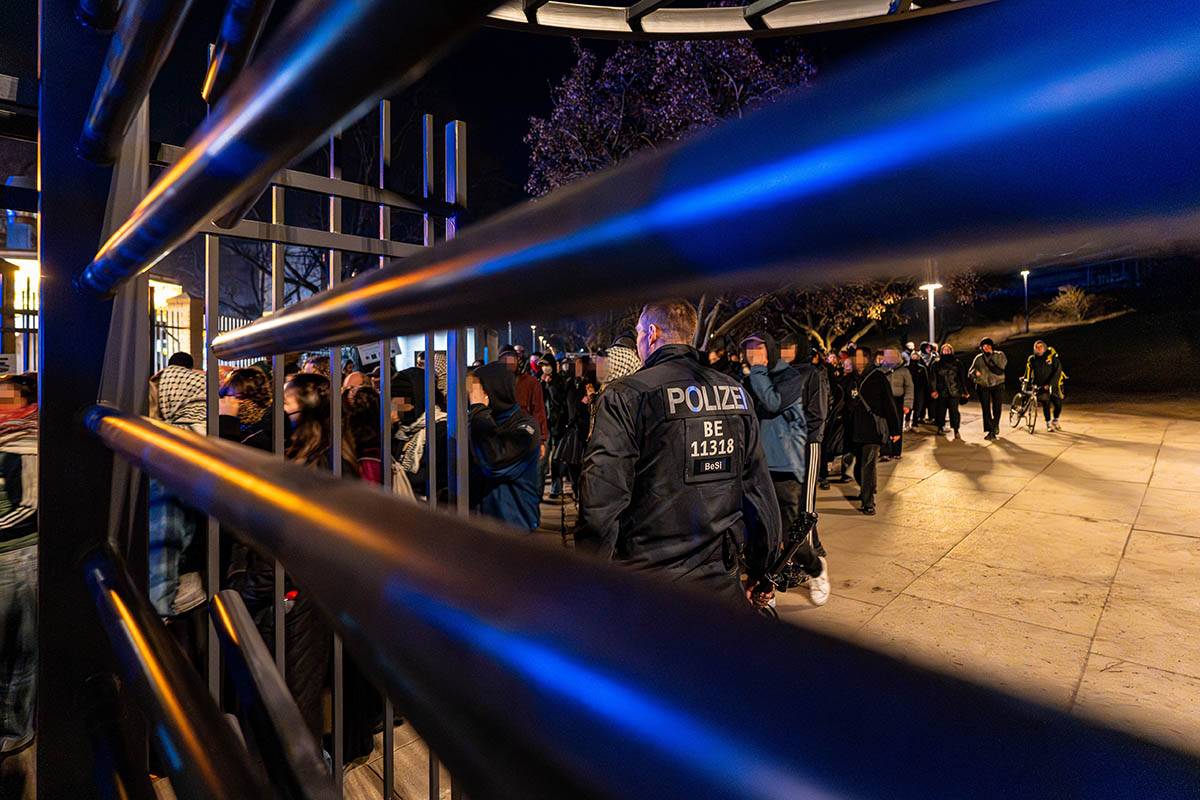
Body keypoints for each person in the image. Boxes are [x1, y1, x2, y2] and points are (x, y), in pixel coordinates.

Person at [578, 301, 781, 606]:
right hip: (720, 580)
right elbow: (758, 489)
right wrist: (763, 568)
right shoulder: (734, 392)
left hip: (648, 583)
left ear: (652, 333)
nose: (639, 342)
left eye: (639, 333)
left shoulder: (626, 395)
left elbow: (601, 501)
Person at [740, 333, 829, 606]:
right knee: (761, 534)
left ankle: (816, 569)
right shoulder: (751, 378)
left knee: (791, 535)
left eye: (758, 350)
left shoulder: (791, 377)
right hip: (757, 465)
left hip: (784, 466)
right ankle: (766, 588)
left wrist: (756, 371)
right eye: (749, 351)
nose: (753, 356)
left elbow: (773, 402)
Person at [147, 353, 207, 619]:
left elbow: (164, 539)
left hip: (176, 596)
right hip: (198, 580)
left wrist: (159, 612)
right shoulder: (205, 436)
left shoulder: (169, 452)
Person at [0, 374, 37, 791]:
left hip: (19, 557)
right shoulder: (8, 436)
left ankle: (15, 729)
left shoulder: (27, 441)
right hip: (10, 556)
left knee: (18, 649)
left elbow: (29, 506)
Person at [468, 363, 542, 530]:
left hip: (514, 525)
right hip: (480, 525)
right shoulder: (480, 420)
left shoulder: (525, 427)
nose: (471, 395)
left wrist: (479, 409)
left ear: (492, 391)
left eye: (476, 389)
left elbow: (494, 460)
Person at [847, 349, 901, 515]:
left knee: (868, 465)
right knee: (859, 466)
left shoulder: (878, 377)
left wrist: (895, 429)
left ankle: (868, 501)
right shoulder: (849, 378)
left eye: (860, 357)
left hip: (872, 429)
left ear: (867, 359)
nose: (857, 360)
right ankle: (868, 488)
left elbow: (889, 404)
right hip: (853, 429)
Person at [499, 345, 549, 462]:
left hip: (525, 437)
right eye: (506, 358)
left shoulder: (530, 382)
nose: (509, 362)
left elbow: (538, 411)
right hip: (502, 440)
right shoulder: (494, 383)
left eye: (512, 358)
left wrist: (541, 440)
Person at [969, 337, 1008, 439]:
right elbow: (970, 372)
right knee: (985, 409)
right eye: (984, 346)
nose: (986, 348)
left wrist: (992, 357)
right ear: (981, 347)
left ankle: (995, 425)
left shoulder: (999, 355)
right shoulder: (978, 358)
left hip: (998, 384)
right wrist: (975, 373)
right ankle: (991, 430)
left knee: (997, 408)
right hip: (983, 385)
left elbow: (1003, 366)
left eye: (988, 345)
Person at [1024, 340, 1066, 431]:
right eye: (1037, 347)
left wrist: (1050, 384)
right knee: (1046, 404)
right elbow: (1028, 371)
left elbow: (1057, 371)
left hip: (1053, 385)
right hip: (1040, 386)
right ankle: (1048, 423)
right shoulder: (1032, 359)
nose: (1039, 349)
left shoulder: (1051, 357)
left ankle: (1056, 419)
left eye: (1041, 346)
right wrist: (1027, 381)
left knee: (1058, 404)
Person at [931, 343, 969, 438]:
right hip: (941, 390)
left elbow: (962, 378)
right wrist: (933, 390)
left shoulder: (957, 363)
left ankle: (956, 429)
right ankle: (940, 427)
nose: (946, 351)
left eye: (948, 350)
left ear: (951, 351)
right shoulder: (936, 364)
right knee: (941, 411)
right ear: (941, 351)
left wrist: (965, 391)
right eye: (945, 350)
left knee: (954, 411)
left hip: (954, 390)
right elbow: (933, 378)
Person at [882, 347, 913, 457]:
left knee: (897, 424)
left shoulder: (904, 371)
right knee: (884, 425)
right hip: (884, 400)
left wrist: (907, 404)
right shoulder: (881, 370)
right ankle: (885, 451)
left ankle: (896, 451)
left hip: (897, 400)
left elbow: (909, 388)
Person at [909, 342, 933, 428]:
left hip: (921, 388)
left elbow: (925, 378)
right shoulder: (908, 367)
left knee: (920, 404)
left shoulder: (931, 358)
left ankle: (917, 420)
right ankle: (908, 420)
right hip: (911, 388)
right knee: (911, 405)